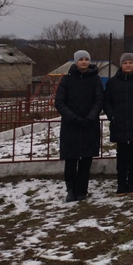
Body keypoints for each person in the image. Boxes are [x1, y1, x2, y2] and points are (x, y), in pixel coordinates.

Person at [55, 50, 103, 202]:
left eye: (86, 59)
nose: (83, 62)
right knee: (71, 159)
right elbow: (60, 102)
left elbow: (99, 101)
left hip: (90, 125)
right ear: (75, 62)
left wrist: (90, 117)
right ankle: (71, 189)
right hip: (71, 126)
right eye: (81, 59)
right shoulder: (66, 80)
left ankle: (82, 190)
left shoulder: (95, 80)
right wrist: (73, 118)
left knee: (86, 160)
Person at [103, 52, 133, 195]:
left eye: (130, 62)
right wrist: (111, 115)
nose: (128, 65)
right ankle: (121, 184)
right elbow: (106, 101)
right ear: (121, 64)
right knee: (122, 155)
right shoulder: (113, 82)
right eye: (125, 63)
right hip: (119, 124)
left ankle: (132, 183)